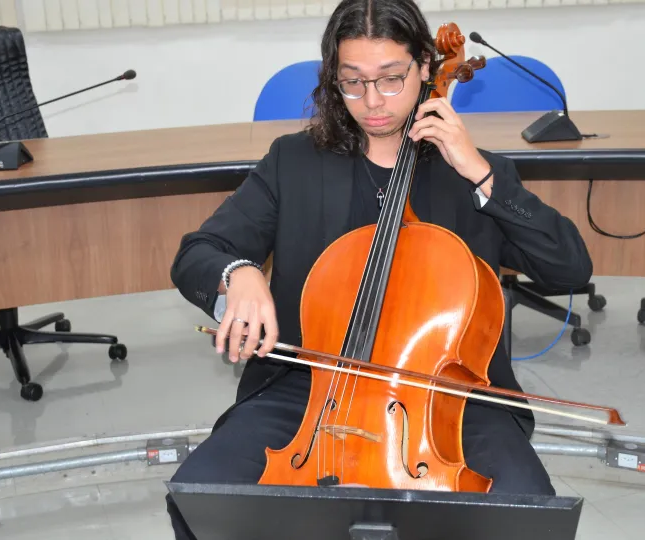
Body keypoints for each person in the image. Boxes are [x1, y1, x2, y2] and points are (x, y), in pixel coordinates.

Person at [165, 0, 592, 536]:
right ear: (332, 79)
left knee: (524, 508)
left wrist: (481, 174)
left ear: (423, 68)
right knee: (202, 494)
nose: (372, 102)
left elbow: (570, 267)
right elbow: (198, 251)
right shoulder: (293, 162)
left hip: (449, 400)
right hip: (309, 387)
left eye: (391, 79)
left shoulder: (474, 173)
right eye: (352, 82)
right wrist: (240, 273)